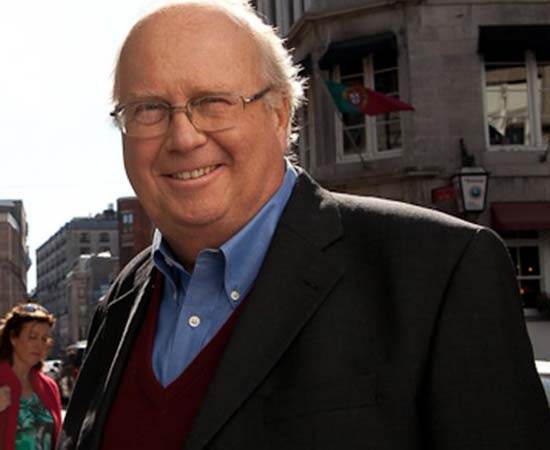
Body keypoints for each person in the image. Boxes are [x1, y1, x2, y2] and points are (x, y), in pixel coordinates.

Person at [59, 1, 550, 449]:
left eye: (214, 101)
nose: (183, 137)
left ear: (279, 114)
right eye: (148, 109)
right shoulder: (121, 301)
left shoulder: (438, 271)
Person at [0, 303, 62, 450]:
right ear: (13, 338)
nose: (39, 345)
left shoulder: (49, 387)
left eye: (44, 339)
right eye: (32, 337)